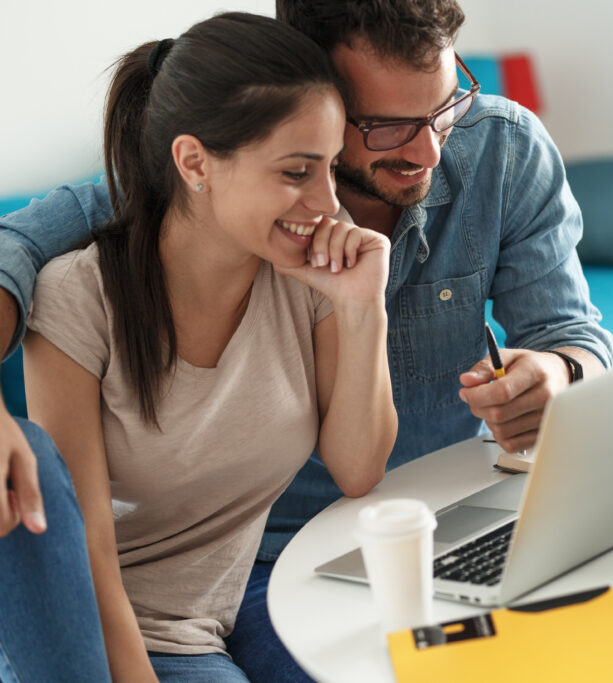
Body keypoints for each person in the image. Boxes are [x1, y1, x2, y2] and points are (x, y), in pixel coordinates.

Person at [0, 0, 613, 680]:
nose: (429, 151)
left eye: (445, 109)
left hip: (416, 527)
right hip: (230, 582)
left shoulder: (323, 252)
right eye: (386, 126)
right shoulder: (122, 255)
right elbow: (14, 245)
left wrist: (558, 371)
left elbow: (570, 337)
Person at [18, 10, 396, 681]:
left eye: (332, 167)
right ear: (194, 163)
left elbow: (358, 468)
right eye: (297, 172)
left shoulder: (306, 275)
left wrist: (363, 306)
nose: (327, 201)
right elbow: (85, 553)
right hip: (92, 637)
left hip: (209, 627)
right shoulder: (79, 297)